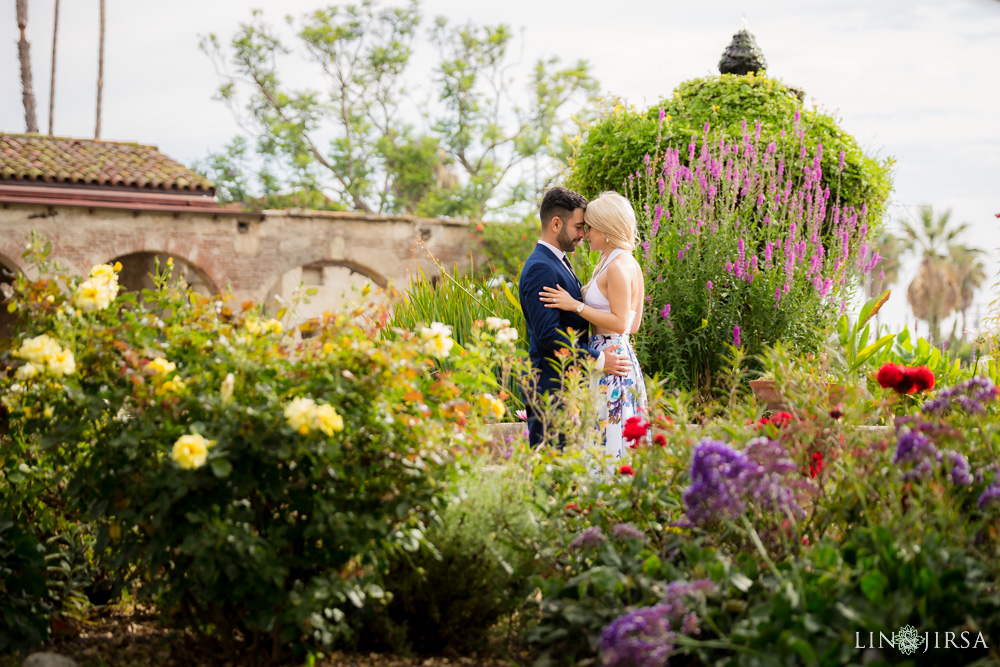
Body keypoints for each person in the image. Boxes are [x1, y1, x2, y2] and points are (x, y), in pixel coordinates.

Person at [519, 187, 633, 449]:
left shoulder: (558, 262)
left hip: (568, 385)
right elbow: (549, 334)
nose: (583, 234)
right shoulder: (541, 267)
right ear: (556, 223)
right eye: (579, 226)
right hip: (551, 388)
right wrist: (600, 360)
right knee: (552, 472)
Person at [539, 191, 647, 460]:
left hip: (610, 360)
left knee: (608, 439)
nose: (585, 234)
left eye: (590, 227)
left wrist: (575, 305)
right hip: (617, 353)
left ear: (607, 228)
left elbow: (623, 323)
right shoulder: (618, 262)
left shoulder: (618, 267)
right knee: (606, 437)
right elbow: (634, 327)